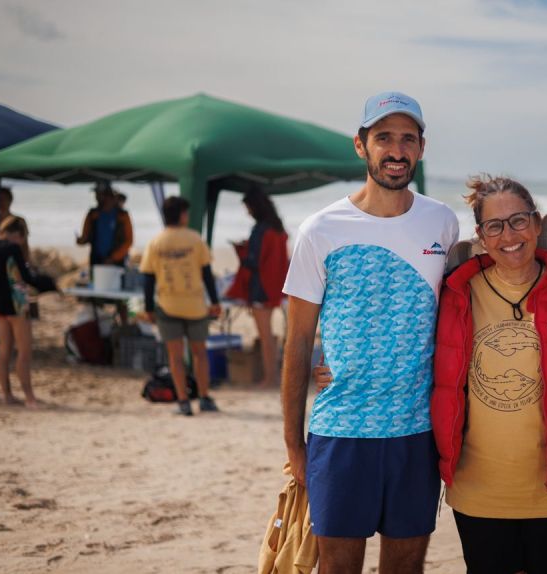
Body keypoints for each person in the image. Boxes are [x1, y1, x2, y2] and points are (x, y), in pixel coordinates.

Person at [281, 91, 458, 574]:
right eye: (383, 138)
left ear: (421, 148)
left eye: (407, 139)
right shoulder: (321, 229)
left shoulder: (442, 221)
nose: (395, 150)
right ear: (361, 146)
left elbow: (467, 308)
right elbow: (297, 340)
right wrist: (294, 445)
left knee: (405, 568)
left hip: (416, 434)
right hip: (340, 433)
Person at [431, 175, 547, 573]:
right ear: (482, 236)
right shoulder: (456, 293)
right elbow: (404, 345)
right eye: (495, 225)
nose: (509, 234)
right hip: (480, 492)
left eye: (519, 220)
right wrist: (336, 366)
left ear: (538, 224)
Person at [139, 196, 222, 416]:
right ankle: (204, 397)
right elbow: (207, 274)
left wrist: (148, 308)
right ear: (183, 215)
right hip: (195, 306)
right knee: (199, 353)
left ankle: (183, 401)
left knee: (175, 356)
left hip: (168, 305)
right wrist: (215, 301)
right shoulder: (195, 239)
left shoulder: (156, 242)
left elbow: (148, 278)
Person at [0, 216, 57, 407]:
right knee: (24, 353)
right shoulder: (12, 248)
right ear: (17, 234)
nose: (23, 242)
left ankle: (7, 395)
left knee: (4, 352)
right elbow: (26, 278)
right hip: (16, 305)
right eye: (23, 237)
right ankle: (30, 398)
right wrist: (49, 283)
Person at [226, 187, 289, 387]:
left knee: (265, 334)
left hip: (261, 286)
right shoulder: (277, 228)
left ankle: (270, 377)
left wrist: (242, 249)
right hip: (276, 284)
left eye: (248, 208)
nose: (247, 212)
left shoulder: (260, 229)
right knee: (270, 333)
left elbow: (253, 262)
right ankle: (274, 375)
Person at [77, 181, 133, 268]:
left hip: (117, 263)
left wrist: (113, 257)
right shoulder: (93, 214)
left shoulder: (122, 215)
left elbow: (129, 241)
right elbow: (85, 236)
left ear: (108, 195)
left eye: (99, 194)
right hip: (96, 260)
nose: (96, 197)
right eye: (96, 194)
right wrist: (81, 240)